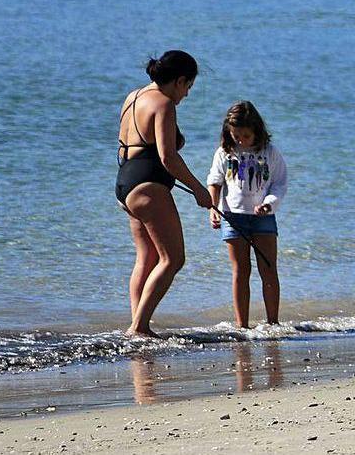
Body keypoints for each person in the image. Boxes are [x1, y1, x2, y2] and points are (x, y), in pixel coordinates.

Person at [115, 50, 212, 338]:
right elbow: (168, 157)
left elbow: (133, 141)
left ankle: (137, 325)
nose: (187, 94)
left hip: (126, 181)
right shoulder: (164, 103)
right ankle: (140, 326)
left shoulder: (133, 96)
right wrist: (199, 190)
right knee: (173, 259)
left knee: (146, 257)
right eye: (189, 87)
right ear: (180, 80)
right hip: (149, 184)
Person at [207, 101, 287, 328]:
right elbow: (215, 181)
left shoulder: (270, 152)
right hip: (233, 217)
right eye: (236, 135)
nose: (240, 140)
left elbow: (280, 184)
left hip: (263, 217)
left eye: (246, 136)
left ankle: (273, 323)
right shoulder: (225, 152)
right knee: (241, 271)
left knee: (268, 268)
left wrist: (269, 204)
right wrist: (213, 209)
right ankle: (242, 325)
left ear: (257, 131)